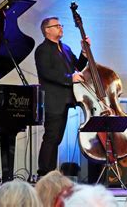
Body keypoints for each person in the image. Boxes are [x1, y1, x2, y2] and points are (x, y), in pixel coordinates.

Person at [35, 17, 89, 176]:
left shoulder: (64, 48)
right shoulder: (42, 50)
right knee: (51, 137)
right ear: (47, 30)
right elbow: (47, 73)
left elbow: (76, 67)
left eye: (61, 25)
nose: (61, 28)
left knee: (57, 139)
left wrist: (84, 53)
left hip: (65, 100)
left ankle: (50, 172)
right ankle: (44, 173)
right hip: (53, 100)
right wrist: (69, 78)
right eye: (57, 26)